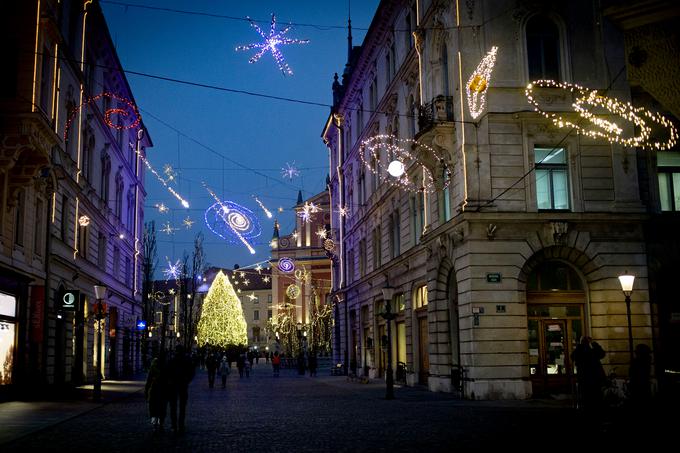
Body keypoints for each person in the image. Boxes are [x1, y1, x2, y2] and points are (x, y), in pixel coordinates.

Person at [166, 345, 195, 434]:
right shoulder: (186, 360)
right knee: (181, 406)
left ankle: (174, 425)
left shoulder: (172, 360)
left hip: (175, 385)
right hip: (182, 385)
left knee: (173, 406)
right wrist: (187, 380)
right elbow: (192, 372)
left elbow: (167, 371)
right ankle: (180, 424)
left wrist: (170, 380)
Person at [572, 336, 606, 410]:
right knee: (596, 396)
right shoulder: (593, 350)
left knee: (586, 397)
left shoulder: (580, 350)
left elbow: (573, 357)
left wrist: (580, 346)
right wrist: (594, 344)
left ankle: (588, 410)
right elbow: (602, 354)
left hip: (585, 378)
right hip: (594, 377)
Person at [145, 355, 167, 432]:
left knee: (153, 410)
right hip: (162, 392)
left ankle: (154, 425)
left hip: (154, 391)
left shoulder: (153, 368)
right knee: (162, 409)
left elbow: (148, 381)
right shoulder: (165, 368)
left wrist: (146, 391)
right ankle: (161, 424)